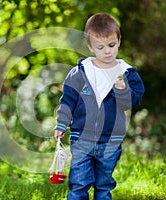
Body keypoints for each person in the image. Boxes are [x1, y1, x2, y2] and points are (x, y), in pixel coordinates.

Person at [54, 13, 145, 200]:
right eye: (100, 47)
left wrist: (122, 90)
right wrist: (61, 123)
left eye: (111, 45)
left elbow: (131, 103)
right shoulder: (80, 72)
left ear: (119, 41)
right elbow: (67, 101)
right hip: (81, 139)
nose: (107, 52)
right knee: (78, 185)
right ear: (90, 47)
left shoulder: (126, 74)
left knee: (103, 186)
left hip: (110, 141)